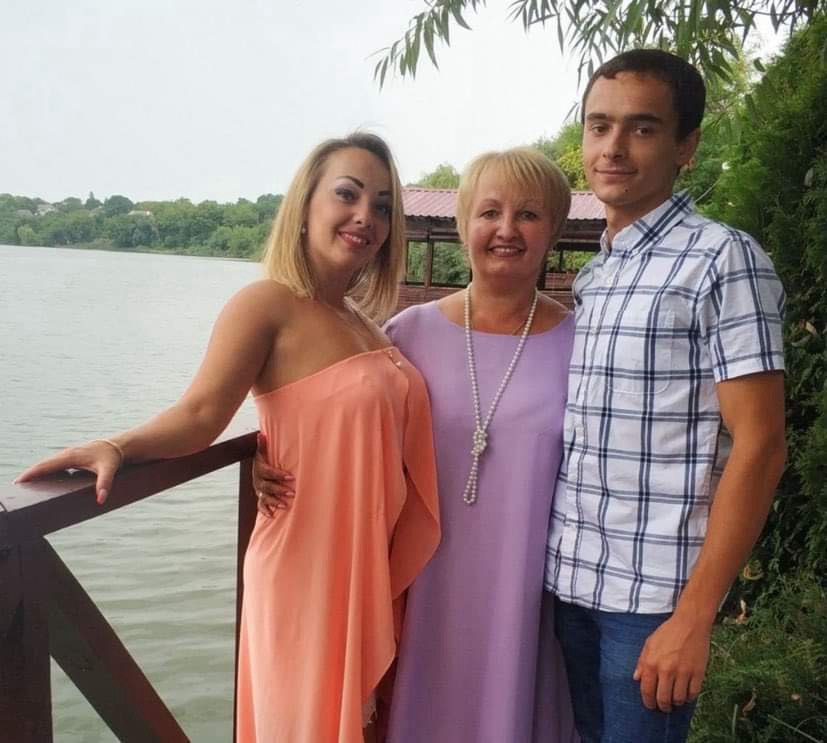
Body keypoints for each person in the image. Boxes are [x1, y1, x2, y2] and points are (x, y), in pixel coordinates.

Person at [16, 132, 441, 743]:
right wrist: (120, 447)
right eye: (346, 195)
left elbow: (347, 428)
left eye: (381, 206)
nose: (364, 217)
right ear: (305, 205)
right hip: (306, 564)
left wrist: (274, 448)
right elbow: (200, 413)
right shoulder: (266, 304)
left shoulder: (366, 323)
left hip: (362, 557)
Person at [256, 146, 580, 742]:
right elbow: (346, 417)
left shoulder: (582, 345)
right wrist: (268, 450)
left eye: (529, 215)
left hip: (527, 585)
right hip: (421, 579)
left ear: (554, 229)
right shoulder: (407, 334)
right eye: (489, 212)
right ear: (463, 223)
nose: (506, 229)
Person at [544, 49, 787, 742]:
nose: (613, 147)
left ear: (686, 146)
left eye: (642, 128)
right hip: (569, 582)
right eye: (598, 126)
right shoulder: (596, 275)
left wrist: (694, 615)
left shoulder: (723, 259)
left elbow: (761, 444)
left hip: (653, 601)